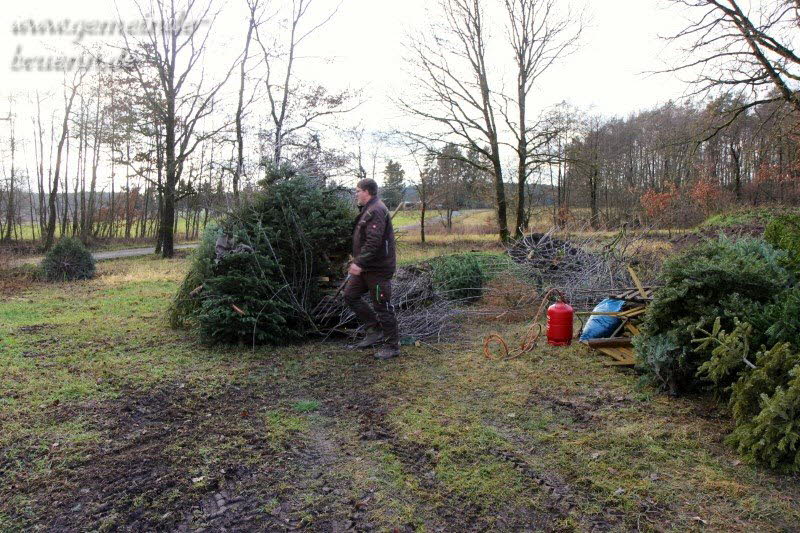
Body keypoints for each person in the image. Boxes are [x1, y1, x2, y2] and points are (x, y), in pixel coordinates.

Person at [344, 178, 400, 360]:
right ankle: (373, 329)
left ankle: (392, 346)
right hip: (367, 267)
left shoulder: (376, 210)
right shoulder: (368, 209)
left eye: (358, 191)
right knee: (350, 295)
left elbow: (374, 242)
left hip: (378, 269)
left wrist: (358, 263)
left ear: (367, 191)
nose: (356, 194)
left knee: (382, 305)